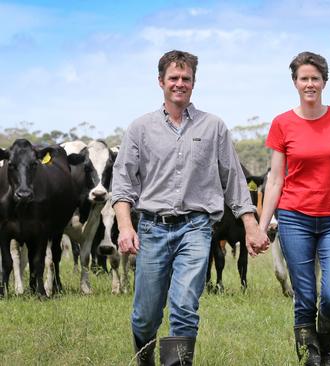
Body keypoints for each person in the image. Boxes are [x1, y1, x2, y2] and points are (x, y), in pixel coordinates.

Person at [112, 50, 268, 366]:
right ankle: (144, 360)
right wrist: (126, 226)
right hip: (152, 228)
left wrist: (251, 225)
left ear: (194, 83)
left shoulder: (214, 127)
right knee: (145, 316)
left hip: (196, 228)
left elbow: (234, 180)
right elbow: (123, 184)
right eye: (174, 78)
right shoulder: (140, 129)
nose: (180, 83)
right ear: (161, 82)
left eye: (186, 78)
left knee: (184, 307)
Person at [258, 51, 330, 366]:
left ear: (324, 82)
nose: (310, 84)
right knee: (305, 296)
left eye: (315, 78)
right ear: (295, 83)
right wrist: (262, 224)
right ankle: (310, 357)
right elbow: (274, 181)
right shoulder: (282, 123)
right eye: (303, 78)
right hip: (294, 218)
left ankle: (326, 353)